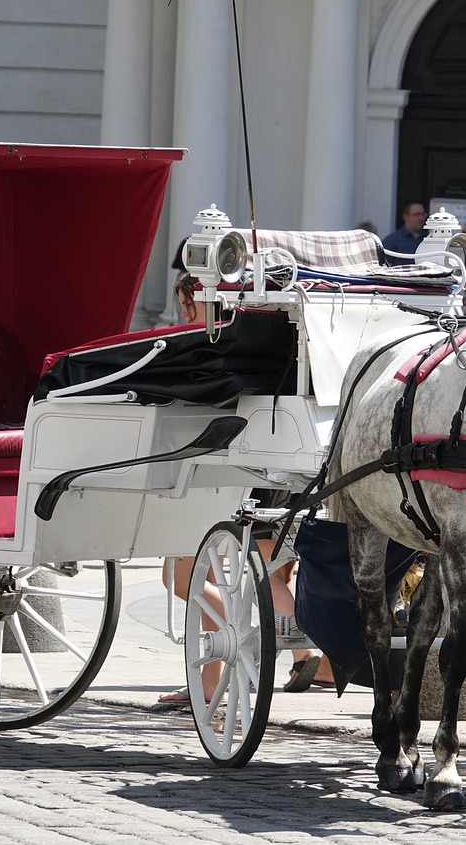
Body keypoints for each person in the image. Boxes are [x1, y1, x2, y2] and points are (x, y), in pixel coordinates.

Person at [157, 274, 331, 705]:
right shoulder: (272, 339)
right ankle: (309, 651)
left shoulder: (208, 349)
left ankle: (236, 664)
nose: (184, 315)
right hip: (287, 460)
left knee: (184, 577)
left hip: (227, 472)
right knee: (265, 569)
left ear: (204, 299)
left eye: (187, 305)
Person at [381, 201, 427, 265]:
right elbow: (386, 266)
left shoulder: (429, 238)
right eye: (417, 214)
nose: (421, 218)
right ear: (406, 217)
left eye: (423, 214)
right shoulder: (392, 240)